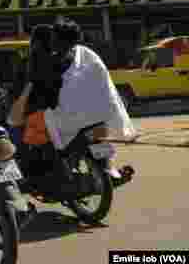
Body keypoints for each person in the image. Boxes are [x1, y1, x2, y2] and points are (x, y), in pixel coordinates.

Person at [43, 17, 136, 183]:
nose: (51, 41)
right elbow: (104, 82)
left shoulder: (54, 61)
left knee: (51, 135)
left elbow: (49, 92)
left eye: (54, 37)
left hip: (71, 120)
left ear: (61, 40)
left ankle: (64, 171)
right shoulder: (87, 54)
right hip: (100, 115)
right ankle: (109, 170)